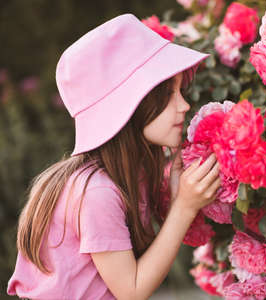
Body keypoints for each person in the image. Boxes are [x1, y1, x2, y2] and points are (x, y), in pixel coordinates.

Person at [7, 14, 221, 300]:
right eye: (167, 94)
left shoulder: (131, 175)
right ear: (128, 106)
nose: (184, 105)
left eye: (180, 91)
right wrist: (183, 207)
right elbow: (131, 290)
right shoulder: (97, 192)